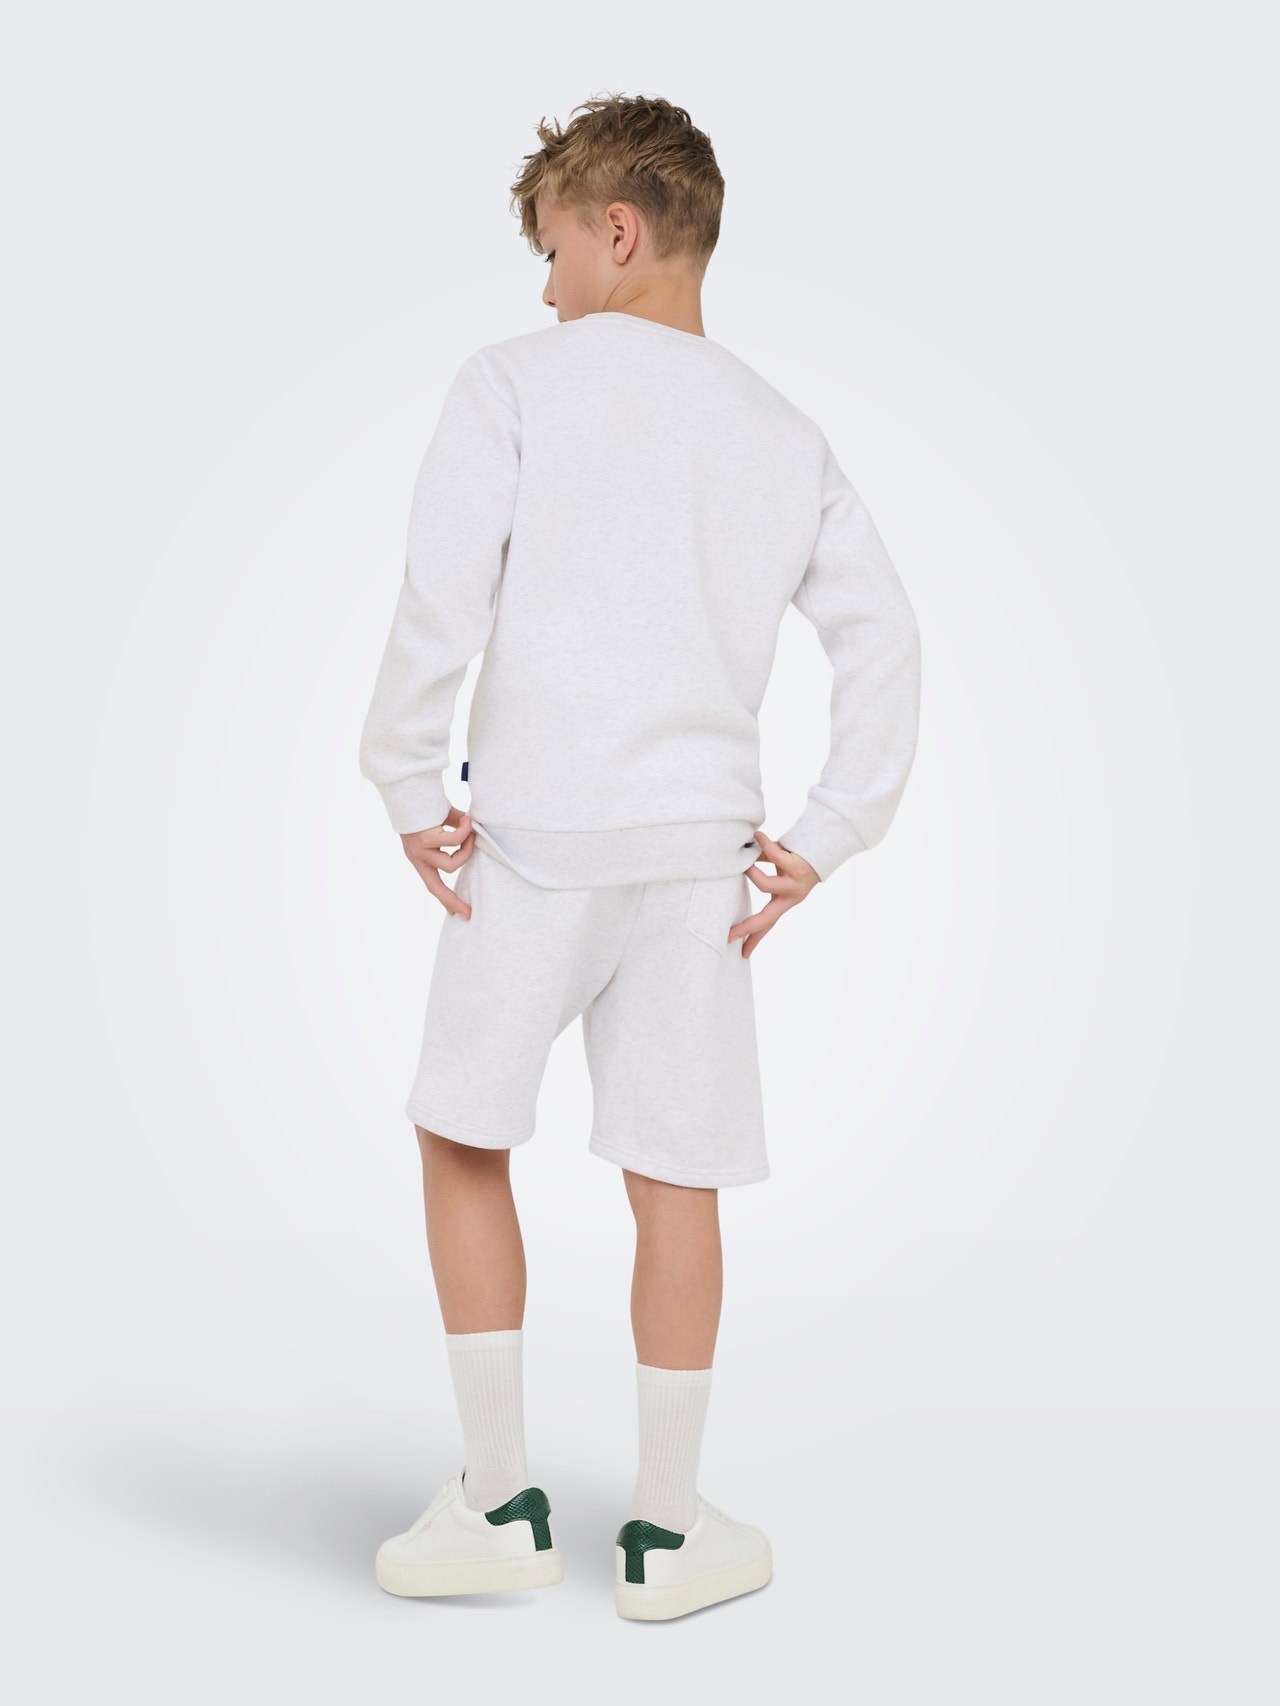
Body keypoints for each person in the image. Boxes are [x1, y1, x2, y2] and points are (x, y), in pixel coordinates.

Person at [358, 91, 922, 1621]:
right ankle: (670, 1532)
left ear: (615, 230)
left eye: (552, 251)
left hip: (528, 841)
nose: (545, 290)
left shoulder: (510, 383)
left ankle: (496, 1502)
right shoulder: (782, 431)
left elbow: (438, 597)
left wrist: (406, 776)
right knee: (677, 1173)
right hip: (697, 864)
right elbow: (884, 639)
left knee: (463, 1134)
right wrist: (829, 831)